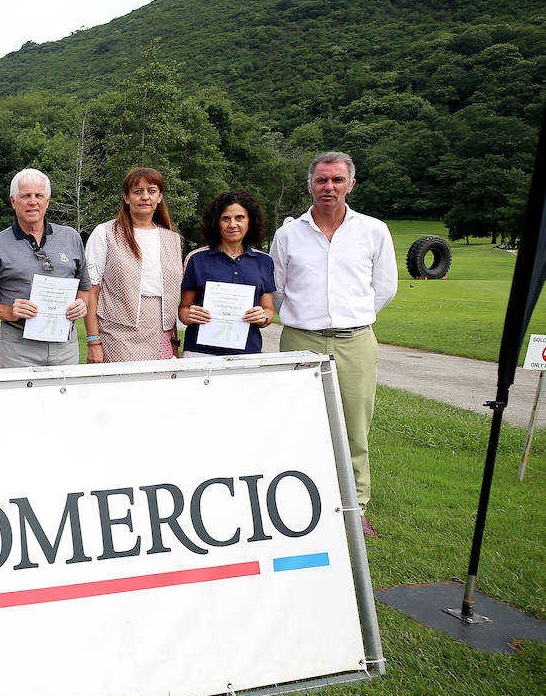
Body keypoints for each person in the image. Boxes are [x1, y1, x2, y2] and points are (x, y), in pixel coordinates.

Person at [272, 152, 396, 538]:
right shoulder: (288, 234)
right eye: (322, 180)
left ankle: (355, 506)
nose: (329, 187)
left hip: (354, 341)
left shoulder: (373, 230)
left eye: (337, 180)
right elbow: (276, 290)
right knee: (300, 425)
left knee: (355, 426)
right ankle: (302, 503)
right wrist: (310, 319)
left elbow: (385, 288)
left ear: (350, 184)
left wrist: (347, 317)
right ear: (310, 185)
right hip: (300, 340)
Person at [0, 168, 91, 367]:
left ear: (47, 201)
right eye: (25, 196)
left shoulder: (70, 237)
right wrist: (10, 312)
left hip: (65, 343)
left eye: (39, 195)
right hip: (18, 345)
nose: (33, 201)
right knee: (21, 398)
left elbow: (85, 287)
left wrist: (81, 304)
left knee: (65, 398)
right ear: (13, 201)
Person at [84, 167, 184, 363]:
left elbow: (170, 295)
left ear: (160, 196)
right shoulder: (105, 233)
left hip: (161, 333)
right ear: (126, 198)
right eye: (138, 191)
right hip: (117, 334)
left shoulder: (172, 239)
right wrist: (93, 341)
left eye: (152, 191)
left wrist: (174, 339)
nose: (145, 197)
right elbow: (91, 292)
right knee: (123, 391)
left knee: (158, 391)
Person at [178, 190, 276, 357]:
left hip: (247, 352)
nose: (232, 224)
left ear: (250, 221)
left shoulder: (264, 261)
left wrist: (263, 317)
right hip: (200, 352)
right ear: (216, 222)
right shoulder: (197, 259)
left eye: (239, 218)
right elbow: (184, 310)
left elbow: (269, 310)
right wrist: (190, 315)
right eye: (225, 218)